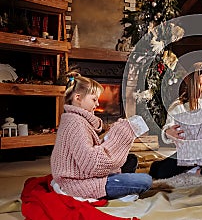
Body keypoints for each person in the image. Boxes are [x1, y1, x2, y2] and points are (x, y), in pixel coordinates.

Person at [51, 72, 152, 200]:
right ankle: (117, 191)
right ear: (78, 98)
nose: (98, 104)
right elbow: (92, 164)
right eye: (94, 99)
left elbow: (88, 150)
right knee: (145, 181)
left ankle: (119, 184)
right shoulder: (75, 124)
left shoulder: (76, 119)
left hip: (83, 172)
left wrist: (110, 136)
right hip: (79, 183)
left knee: (131, 159)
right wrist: (120, 135)